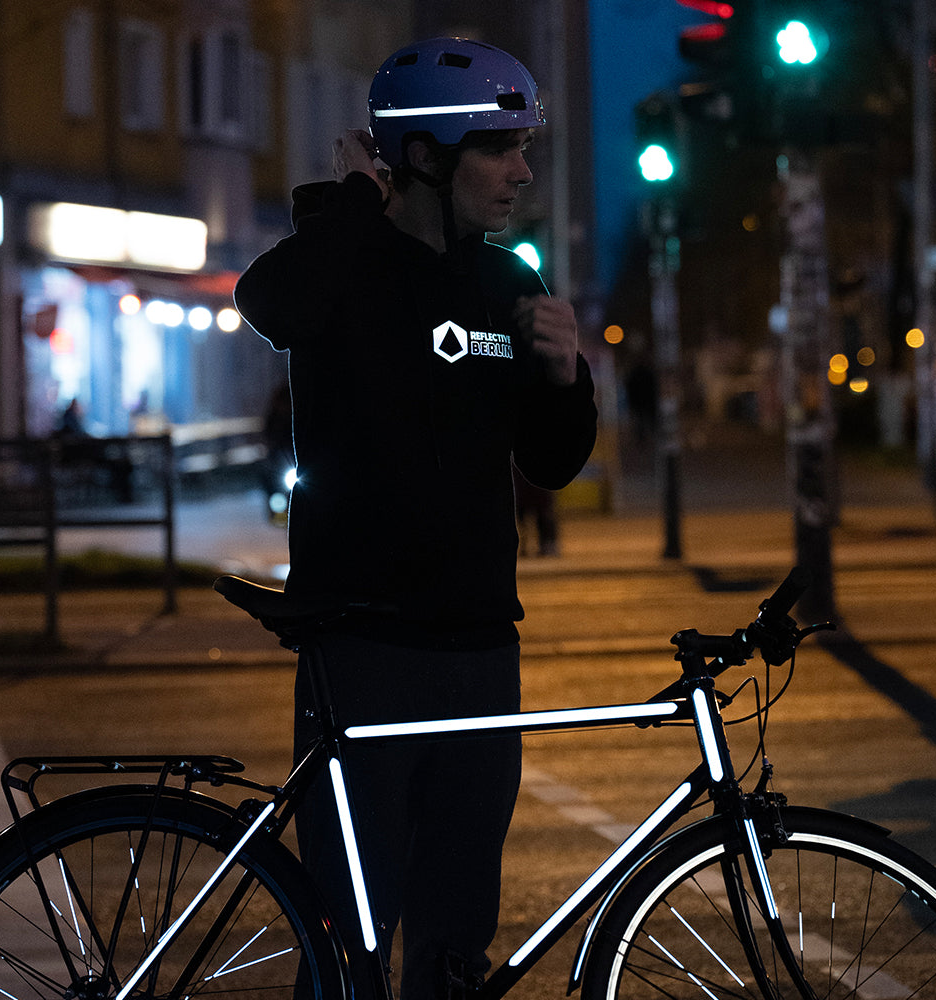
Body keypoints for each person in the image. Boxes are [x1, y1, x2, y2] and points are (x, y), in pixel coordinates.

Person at [234, 36, 597, 1000]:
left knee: (452, 945)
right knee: (346, 944)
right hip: (364, 646)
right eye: (498, 148)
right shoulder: (342, 260)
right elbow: (273, 303)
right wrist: (358, 202)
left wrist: (564, 379)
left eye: (525, 147)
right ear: (429, 158)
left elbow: (554, 463)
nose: (522, 170)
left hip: (480, 644)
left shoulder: (505, 282)